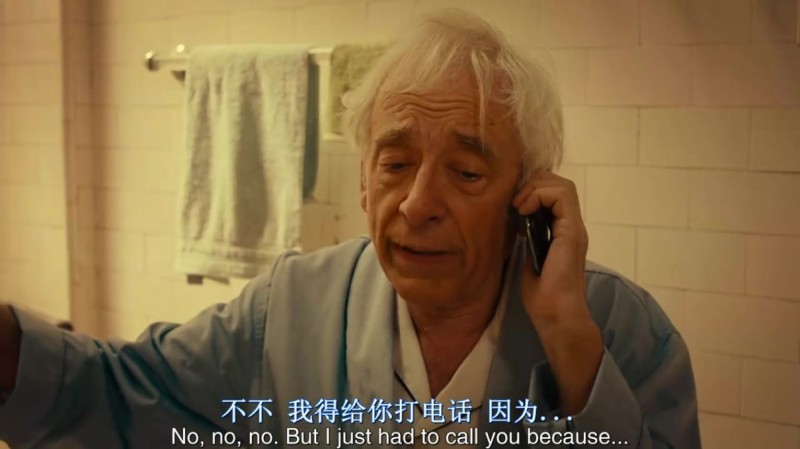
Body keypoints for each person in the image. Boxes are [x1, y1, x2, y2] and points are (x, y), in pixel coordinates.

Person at [0, 10, 701, 449]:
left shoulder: (619, 327)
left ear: (527, 198)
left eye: (466, 172)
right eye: (395, 163)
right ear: (364, 181)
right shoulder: (291, 307)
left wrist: (573, 345)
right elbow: (124, 393)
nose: (417, 203)